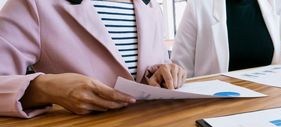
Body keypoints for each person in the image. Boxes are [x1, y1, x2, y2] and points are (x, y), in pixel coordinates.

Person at [0, 0, 186, 118]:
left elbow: (153, 65)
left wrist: (166, 70)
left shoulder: (151, 6)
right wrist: (43, 88)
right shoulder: (32, 4)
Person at [171, 0, 281, 78]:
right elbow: (180, 69)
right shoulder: (198, 5)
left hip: (265, 103)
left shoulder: (274, 3)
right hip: (214, 107)